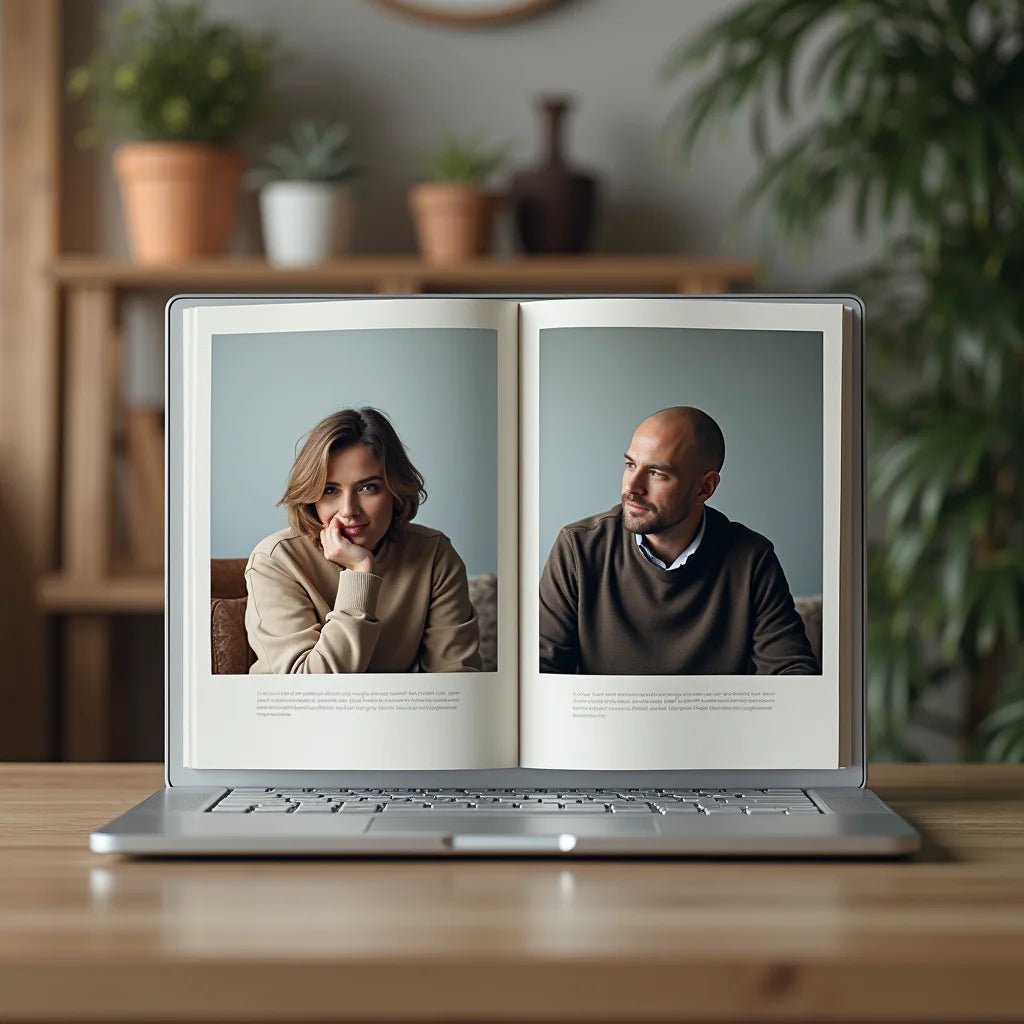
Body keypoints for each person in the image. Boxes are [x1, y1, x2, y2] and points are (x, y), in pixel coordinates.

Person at [539, 406, 818, 675]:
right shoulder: (578, 549)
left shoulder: (751, 560)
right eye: (630, 465)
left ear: (704, 487)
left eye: (657, 473)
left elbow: (793, 675)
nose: (631, 488)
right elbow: (541, 672)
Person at [245, 407, 482, 674]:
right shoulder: (276, 560)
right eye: (330, 490)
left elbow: (455, 682)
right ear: (311, 497)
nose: (349, 510)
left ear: (395, 490)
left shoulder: (433, 554)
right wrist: (359, 574)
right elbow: (309, 691)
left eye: (368, 487)